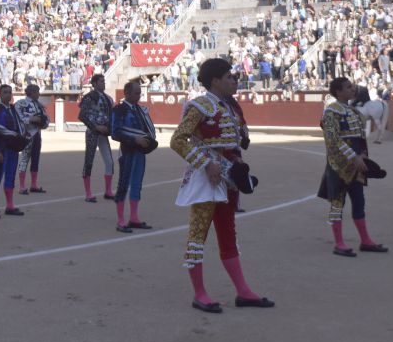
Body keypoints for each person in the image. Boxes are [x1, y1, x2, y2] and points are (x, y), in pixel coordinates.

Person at [170, 58, 273, 312]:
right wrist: (205, 164)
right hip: (206, 178)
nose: (234, 80)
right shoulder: (200, 105)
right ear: (215, 81)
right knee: (198, 234)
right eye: (229, 77)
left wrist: (237, 164)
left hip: (228, 177)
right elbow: (178, 139)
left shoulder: (230, 107)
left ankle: (243, 291)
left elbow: (232, 144)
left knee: (228, 233)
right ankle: (200, 293)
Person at [318, 76, 387, 257]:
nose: (352, 89)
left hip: (357, 164)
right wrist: (353, 157)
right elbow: (332, 139)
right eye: (348, 87)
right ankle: (339, 243)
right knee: (337, 204)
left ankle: (365, 241)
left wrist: (363, 155)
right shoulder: (331, 111)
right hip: (338, 165)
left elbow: (360, 139)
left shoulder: (353, 112)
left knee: (359, 202)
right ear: (338, 92)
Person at [110, 79, 156, 233]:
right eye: (136, 93)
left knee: (136, 183)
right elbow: (115, 132)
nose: (139, 96)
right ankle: (120, 220)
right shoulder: (119, 110)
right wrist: (134, 139)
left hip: (140, 151)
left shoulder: (140, 109)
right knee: (123, 184)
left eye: (140, 93)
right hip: (127, 151)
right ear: (127, 93)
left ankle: (134, 218)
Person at [0, 84, 27, 218]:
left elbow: (19, 128)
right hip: (1, 149)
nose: (8, 95)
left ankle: (9, 206)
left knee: (10, 176)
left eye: (10, 92)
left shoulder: (13, 110)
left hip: (12, 148)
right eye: (5, 92)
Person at [78, 73, 115, 202]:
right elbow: (82, 115)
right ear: (94, 84)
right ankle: (88, 194)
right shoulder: (89, 97)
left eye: (104, 81)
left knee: (109, 162)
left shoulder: (108, 98)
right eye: (100, 81)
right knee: (89, 161)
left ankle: (108, 191)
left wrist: (109, 128)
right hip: (92, 133)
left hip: (104, 133)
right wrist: (95, 127)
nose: (103, 83)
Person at [14, 83, 49, 194]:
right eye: (37, 92)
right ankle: (22, 186)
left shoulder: (39, 105)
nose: (39, 94)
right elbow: (18, 117)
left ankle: (34, 185)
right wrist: (32, 119)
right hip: (26, 134)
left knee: (35, 158)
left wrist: (43, 124)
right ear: (32, 92)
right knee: (25, 158)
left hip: (37, 134)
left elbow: (46, 119)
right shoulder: (20, 103)